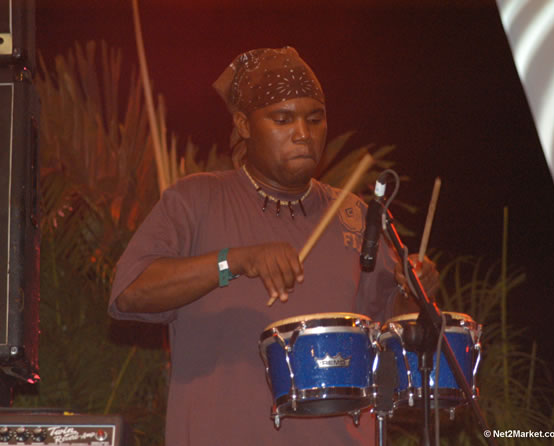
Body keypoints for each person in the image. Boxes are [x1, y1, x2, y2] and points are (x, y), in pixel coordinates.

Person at [108, 47, 438, 445]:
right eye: (283, 119)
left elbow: (389, 339)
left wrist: (415, 293)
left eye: (314, 119)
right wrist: (235, 261)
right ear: (244, 124)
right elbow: (129, 292)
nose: (303, 133)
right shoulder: (197, 199)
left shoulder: (354, 215)